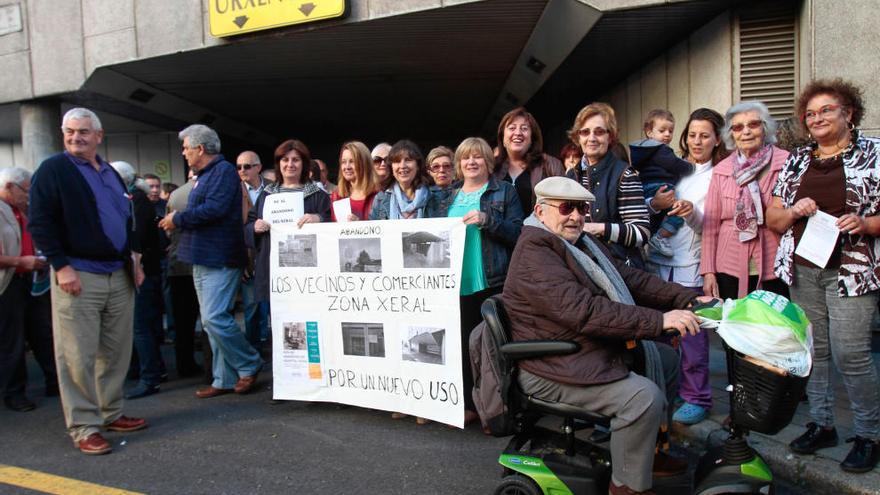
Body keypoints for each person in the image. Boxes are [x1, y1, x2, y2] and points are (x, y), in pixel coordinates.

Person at [504, 176, 706, 495]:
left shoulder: (577, 241)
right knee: (642, 398)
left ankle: (647, 456)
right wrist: (661, 320)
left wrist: (685, 298)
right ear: (540, 211)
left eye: (582, 208)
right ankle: (626, 486)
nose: (576, 216)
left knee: (665, 360)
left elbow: (628, 278)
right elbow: (586, 312)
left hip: (575, 351)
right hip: (549, 363)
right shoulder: (535, 251)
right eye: (567, 208)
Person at [766, 79, 880, 473]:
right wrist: (796, 211)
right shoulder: (797, 161)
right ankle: (822, 424)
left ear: (848, 112)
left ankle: (868, 435)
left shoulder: (875, 154)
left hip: (853, 270)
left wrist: (866, 223)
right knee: (814, 352)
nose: (816, 118)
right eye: (810, 113)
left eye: (826, 110)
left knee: (851, 354)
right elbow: (774, 218)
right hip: (803, 268)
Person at [28, 107, 147, 455]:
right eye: (69, 131)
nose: (75, 137)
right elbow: (40, 221)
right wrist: (61, 267)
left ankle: (111, 412)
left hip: (117, 271)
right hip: (78, 272)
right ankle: (84, 426)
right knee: (76, 355)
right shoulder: (53, 169)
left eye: (83, 131)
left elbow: (125, 220)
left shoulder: (108, 171)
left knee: (115, 350)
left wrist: (134, 259)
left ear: (99, 135)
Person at [159, 124, 262, 399]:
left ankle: (248, 363)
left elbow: (213, 210)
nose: (183, 152)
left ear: (200, 149)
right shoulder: (207, 174)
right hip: (203, 257)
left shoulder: (224, 172)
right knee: (210, 321)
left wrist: (176, 219)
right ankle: (223, 378)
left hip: (220, 257)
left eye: (186, 147)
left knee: (216, 318)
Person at [428, 137, 524, 426]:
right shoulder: (446, 197)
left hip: (492, 282)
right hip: (455, 285)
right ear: (459, 164)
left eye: (478, 157)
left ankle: (497, 410)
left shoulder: (505, 192)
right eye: (466, 158)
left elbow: (520, 234)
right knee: (461, 347)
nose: (471, 162)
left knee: (492, 348)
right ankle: (472, 406)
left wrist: (488, 220)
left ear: (488, 162)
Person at [646, 108, 727, 425]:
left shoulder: (719, 176)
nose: (697, 141)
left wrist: (691, 212)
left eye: (704, 135)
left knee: (693, 338)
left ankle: (698, 397)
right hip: (658, 264)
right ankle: (672, 390)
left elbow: (712, 227)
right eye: (692, 134)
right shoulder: (673, 169)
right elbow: (648, 208)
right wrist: (656, 204)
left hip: (690, 264)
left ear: (716, 139)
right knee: (663, 335)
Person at [700, 101, 790, 300]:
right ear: (731, 134)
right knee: (737, 325)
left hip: (774, 262)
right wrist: (708, 272)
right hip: (729, 264)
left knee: (775, 325)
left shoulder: (786, 163)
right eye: (738, 127)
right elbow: (710, 226)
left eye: (753, 124)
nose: (746, 132)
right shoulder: (722, 170)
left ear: (765, 128)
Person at [246, 139, 331, 316]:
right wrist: (255, 227)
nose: (290, 164)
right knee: (280, 321)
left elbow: (332, 225)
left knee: (309, 318)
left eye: (296, 160)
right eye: (285, 160)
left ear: (304, 164)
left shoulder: (318, 196)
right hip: (274, 269)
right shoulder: (266, 195)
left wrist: (319, 219)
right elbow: (247, 226)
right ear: (279, 164)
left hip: (308, 274)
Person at [565, 102, 651, 268]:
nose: (591, 138)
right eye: (585, 132)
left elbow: (642, 232)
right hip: (583, 266)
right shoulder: (571, 175)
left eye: (599, 132)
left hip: (619, 269)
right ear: (578, 137)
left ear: (610, 137)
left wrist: (598, 228)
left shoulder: (625, 174)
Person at [0, 167, 54, 412]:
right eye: (25, 190)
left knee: (42, 331)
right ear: (9, 187)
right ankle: (14, 392)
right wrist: (20, 262)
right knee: (13, 339)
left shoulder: (22, 210)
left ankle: (55, 381)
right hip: (10, 281)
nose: (28, 196)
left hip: (32, 278)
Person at [112, 162, 165, 400]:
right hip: (143, 269)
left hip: (141, 270)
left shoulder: (136, 201)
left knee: (141, 327)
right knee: (142, 326)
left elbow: (137, 237)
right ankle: (144, 370)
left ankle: (149, 376)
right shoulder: (138, 200)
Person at [629, 110, 695, 257]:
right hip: (660, 186)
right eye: (662, 130)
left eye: (670, 131)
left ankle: (649, 241)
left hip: (647, 187)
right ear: (649, 132)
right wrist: (691, 167)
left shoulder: (644, 152)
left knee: (655, 218)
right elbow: (674, 164)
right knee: (678, 210)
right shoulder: (660, 150)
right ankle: (661, 237)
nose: (667, 134)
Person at [165, 171, 203, 380]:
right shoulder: (209, 192)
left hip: (178, 263)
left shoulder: (175, 195)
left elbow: (168, 229)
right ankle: (211, 365)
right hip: (202, 262)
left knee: (183, 322)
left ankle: (184, 365)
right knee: (208, 318)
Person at [494, 107, 564, 214]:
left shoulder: (550, 165)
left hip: (537, 230)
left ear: (532, 138)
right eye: (512, 128)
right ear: (502, 138)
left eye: (524, 128)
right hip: (498, 230)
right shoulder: (491, 166)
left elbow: (563, 205)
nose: (518, 133)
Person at [236, 150, 269, 348]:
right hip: (247, 257)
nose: (242, 170)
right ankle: (254, 350)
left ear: (258, 167)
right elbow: (232, 230)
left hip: (271, 255)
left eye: (247, 166)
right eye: (239, 167)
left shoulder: (273, 190)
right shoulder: (233, 193)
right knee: (251, 306)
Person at [370, 140, 433, 220]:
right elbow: (374, 229)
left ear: (418, 165)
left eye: (408, 160)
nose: (402, 166)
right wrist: (356, 224)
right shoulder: (381, 198)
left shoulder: (433, 195)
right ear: (391, 167)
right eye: (397, 161)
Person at [331, 141, 379, 221]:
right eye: (343, 162)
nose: (347, 167)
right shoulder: (337, 196)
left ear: (364, 164)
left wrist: (359, 226)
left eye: (352, 161)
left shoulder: (379, 196)